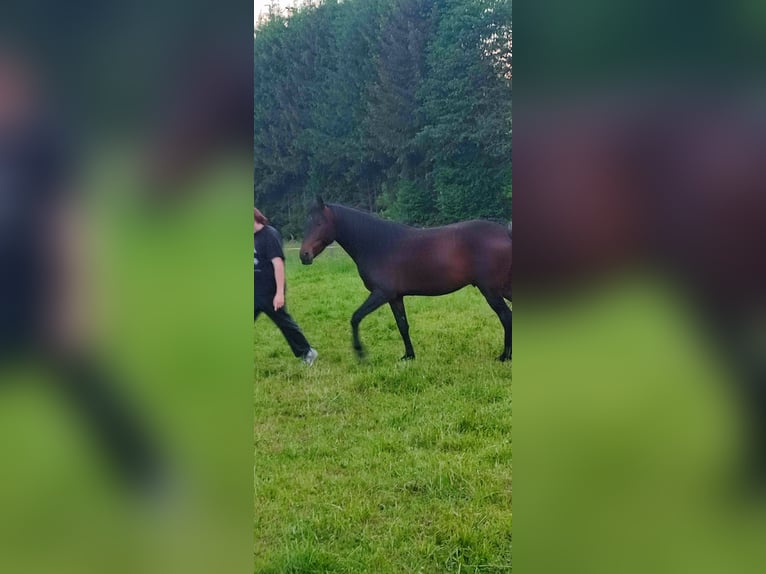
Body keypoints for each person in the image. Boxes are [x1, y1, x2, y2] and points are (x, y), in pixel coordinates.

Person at [254, 207, 317, 365]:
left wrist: (279, 293)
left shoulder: (269, 235)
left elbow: (278, 265)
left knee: (284, 323)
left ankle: (307, 352)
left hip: (270, 292)